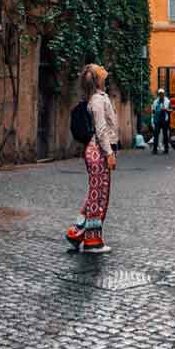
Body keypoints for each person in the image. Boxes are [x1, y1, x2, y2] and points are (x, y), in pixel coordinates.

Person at [65, 63, 117, 254]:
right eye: (100, 68)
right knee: (98, 196)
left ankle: (76, 233)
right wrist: (109, 153)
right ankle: (92, 241)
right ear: (97, 78)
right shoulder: (97, 100)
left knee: (96, 194)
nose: (104, 68)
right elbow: (101, 129)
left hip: (97, 150)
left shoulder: (99, 97)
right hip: (98, 151)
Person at [152, 87, 171, 154]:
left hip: (164, 120)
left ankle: (166, 149)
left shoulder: (167, 101)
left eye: (162, 94)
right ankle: (154, 149)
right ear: (158, 94)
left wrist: (165, 109)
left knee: (165, 135)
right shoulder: (155, 101)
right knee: (156, 135)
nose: (161, 95)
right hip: (157, 120)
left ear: (164, 94)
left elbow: (171, 110)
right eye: (159, 94)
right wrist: (154, 119)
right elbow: (153, 111)